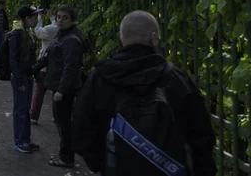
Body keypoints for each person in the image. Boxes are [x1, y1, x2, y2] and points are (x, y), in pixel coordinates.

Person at [72, 11, 217, 176]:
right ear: (154, 37)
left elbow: (81, 127)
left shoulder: (101, 77)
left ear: (121, 36)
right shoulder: (175, 77)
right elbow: (201, 133)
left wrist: (99, 163)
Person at [32, 4, 86, 168]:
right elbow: (49, 56)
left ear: (72, 20)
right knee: (61, 122)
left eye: (65, 18)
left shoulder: (71, 40)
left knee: (63, 123)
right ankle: (65, 153)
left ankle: (67, 158)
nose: (60, 20)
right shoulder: (62, 35)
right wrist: (33, 68)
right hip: (58, 84)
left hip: (65, 88)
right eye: (59, 17)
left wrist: (61, 90)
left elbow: (71, 68)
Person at [9, 5, 42, 153]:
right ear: (26, 19)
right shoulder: (16, 34)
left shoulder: (26, 33)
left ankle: (26, 140)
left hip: (26, 76)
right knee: (20, 109)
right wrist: (19, 78)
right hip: (21, 78)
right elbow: (13, 59)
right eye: (34, 17)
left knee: (25, 109)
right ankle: (19, 141)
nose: (37, 20)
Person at [29, 10, 58, 125]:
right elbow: (54, 23)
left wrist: (39, 17)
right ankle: (56, 116)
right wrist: (51, 15)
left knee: (39, 91)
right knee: (56, 90)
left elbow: (37, 31)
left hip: (45, 66)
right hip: (57, 66)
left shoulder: (50, 29)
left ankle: (34, 116)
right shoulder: (60, 29)